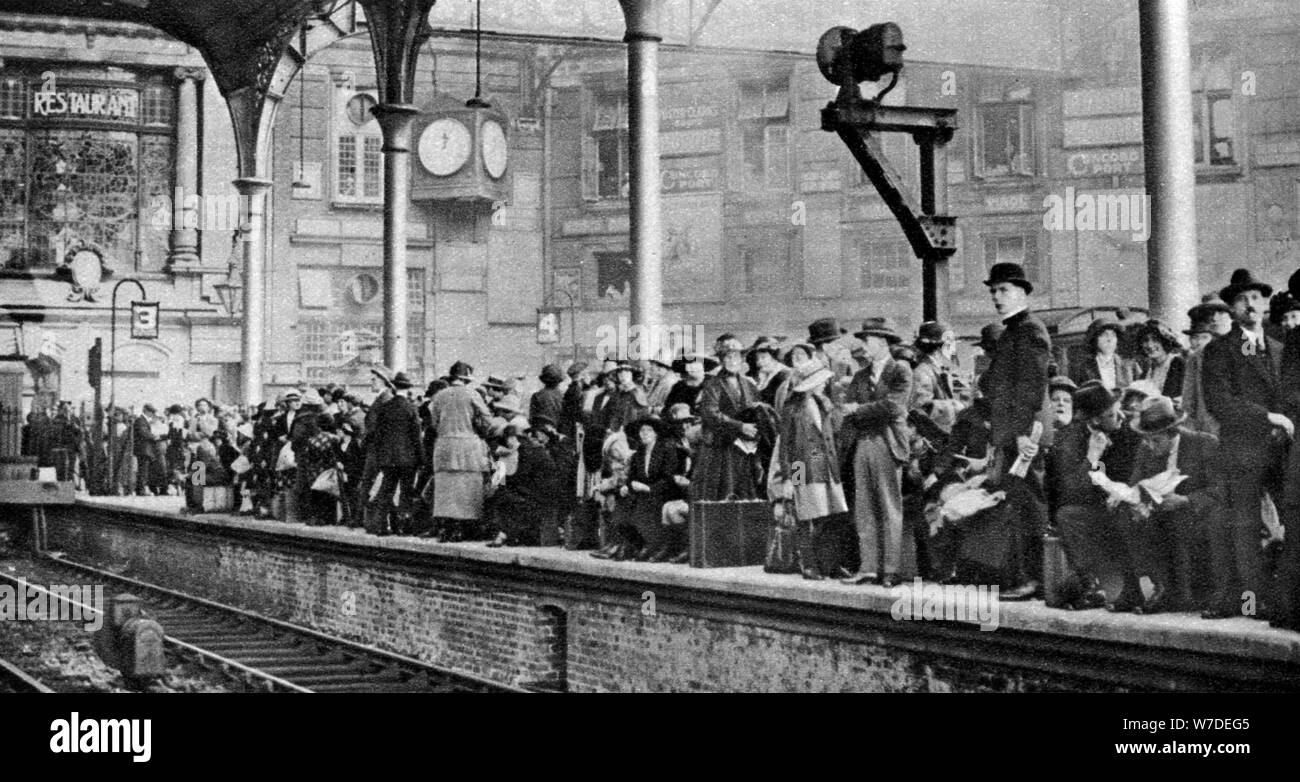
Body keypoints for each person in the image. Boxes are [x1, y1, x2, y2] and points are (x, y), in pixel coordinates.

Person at [1202, 268, 1290, 620]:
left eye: (1256, 297)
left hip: (1284, 449)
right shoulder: (1219, 350)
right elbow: (1220, 403)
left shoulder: (1281, 346)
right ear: (1231, 308)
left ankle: (1287, 597)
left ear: (1266, 303)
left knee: (1291, 522)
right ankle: (1252, 603)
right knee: (1246, 528)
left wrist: (1288, 422)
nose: (1250, 305)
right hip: (1243, 451)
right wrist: (1269, 418)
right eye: (1241, 299)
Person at [978, 262, 1052, 600]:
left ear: (1022, 292)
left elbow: (1031, 387)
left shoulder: (1029, 330)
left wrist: (1022, 431)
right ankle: (1026, 576)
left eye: (1003, 290)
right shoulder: (1012, 332)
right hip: (1012, 434)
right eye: (993, 291)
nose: (997, 297)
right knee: (1020, 504)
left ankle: (1035, 578)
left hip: (1024, 435)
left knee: (1029, 505)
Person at [1117, 395, 1226, 614]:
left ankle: (1200, 594)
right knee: (1124, 514)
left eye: (1156, 441)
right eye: (1146, 440)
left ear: (1173, 433)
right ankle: (1157, 588)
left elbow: (1220, 490)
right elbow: (1135, 484)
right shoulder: (1146, 447)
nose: (1149, 445)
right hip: (1160, 514)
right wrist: (1133, 501)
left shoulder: (1204, 443)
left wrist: (1185, 500)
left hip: (1196, 513)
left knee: (1192, 520)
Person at [1046, 382, 1139, 611]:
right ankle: (1089, 584)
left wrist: (1123, 493)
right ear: (1095, 420)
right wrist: (1092, 457)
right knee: (1067, 515)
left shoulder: (1130, 426)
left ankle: (1132, 588)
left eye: (1118, 409)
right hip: (1095, 505)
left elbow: (1141, 467)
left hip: (1128, 499)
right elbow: (1072, 492)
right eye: (1111, 414)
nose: (1119, 416)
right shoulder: (1069, 439)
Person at [841, 318, 912, 586]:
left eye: (867, 340)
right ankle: (869, 567)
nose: (864, 346)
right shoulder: (861, 375)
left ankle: (891, 570)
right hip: (864, 443)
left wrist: (860, 410)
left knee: (889, 506)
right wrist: (864, 411)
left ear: (882, 342)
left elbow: (893, 407)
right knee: (864, 508)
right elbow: (850, 408)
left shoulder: (900, 371)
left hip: (887, 443)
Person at [768, 344, 847, 580]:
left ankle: (830, 564)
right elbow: (787, 447)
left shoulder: (823, 404)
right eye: (820, 380)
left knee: (831, 517)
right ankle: (809, 564)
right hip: (806, 470)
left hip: (827, 469)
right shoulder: (792, 409)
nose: (824, 383)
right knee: (807, 518)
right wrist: (793, 480)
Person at [427, 361, 493, 541]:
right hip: (467, 446)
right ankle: (463, 528)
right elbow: (487, 419)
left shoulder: (439, 396)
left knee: (446, 487)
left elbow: (434, 423)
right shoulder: (472, 394)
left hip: (444, 446)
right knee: (467, 487)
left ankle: (446, 528)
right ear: (466, 379)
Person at [693, 335, 762, 501]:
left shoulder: (749, 384)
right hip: (720, 446)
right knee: (723, 489)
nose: (732, 361)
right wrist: (739, 426)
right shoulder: (712, 384)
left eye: (736, 357)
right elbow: (711, 413)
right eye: (728, 357)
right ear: (722, 360)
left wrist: (754, 428)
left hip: (745, 445)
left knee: (745, 488)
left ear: (742, 360)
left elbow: (757, 409)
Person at [365, 372, 425, 536]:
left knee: (386, 490)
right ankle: (402, 526)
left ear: (394, 387)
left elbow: (378, 434)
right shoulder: (411, 408)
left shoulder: (385, 408)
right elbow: (416, 436)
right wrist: (421, 459)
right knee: (405, 491)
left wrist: (380, 456)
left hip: (387, 458)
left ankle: (382, 526)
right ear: (408, 389)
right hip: (407, 458)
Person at [486, 419, 559, 547]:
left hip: (537, 495)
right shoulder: (523, 449)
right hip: (538, 493)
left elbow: (512, 479)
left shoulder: (525, 451)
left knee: (505, 496)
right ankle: (507, 534)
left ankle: (505, 534)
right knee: (504, 494)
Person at [616, 414, 678, 561]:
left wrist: (649, 488)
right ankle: (636, 543)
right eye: (641, 431)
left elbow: (669, 478)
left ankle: (652, 545)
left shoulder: (666, 451)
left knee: (644, 504)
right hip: (641, 492)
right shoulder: (639, 454)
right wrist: (627, 486)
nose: (643, 433)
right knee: (622, 504)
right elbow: (632, 478)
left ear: (656, 433)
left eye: (648, 430)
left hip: (662, 493)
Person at [1180, 301, 1234, 436]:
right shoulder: (1194, 359)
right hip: (1204, 428)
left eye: (1204, 337)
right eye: (1194, 337)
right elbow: (1188, 398)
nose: (1198, 342)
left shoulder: (1231, 355)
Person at [657, 403, 701, 564]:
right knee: (667, 508)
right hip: (678, 490)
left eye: (688, 422)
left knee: (673, 508)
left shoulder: (695, 444)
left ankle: (686, 548)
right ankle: (675, 547)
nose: (684, 426)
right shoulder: (671, 444)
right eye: (680, 423)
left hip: (692, 492)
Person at [1071, 318, 1138, 393]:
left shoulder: (1130, 366)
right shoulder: (1084, 368)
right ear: (1095, 339)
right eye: (1104, 335)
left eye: (1113, 335)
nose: (1109, 339)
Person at [1136, 320, 1186, 401]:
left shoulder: (1179, 365)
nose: (1150, 345)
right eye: (1145, 340)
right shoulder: (1146, 371)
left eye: (1155, 340)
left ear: (1165, 341)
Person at [748, 336, 789, 409]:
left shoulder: (783, 374)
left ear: (773, 358)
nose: (759, 362)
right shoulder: (760, 374)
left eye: (763, 357)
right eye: (757, 358)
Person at [132, 403, 162, 496]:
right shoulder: (141, 420)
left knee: (143, 470)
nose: (151, 413)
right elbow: (143, 433)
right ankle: (140, 490)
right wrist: (155, 437)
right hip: (143, 449)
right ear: (145, 410)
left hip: (145, 449)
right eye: (150, 411)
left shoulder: (143, 420)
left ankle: (140, 489)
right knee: (143, 470)